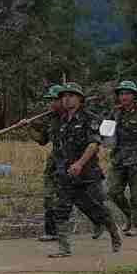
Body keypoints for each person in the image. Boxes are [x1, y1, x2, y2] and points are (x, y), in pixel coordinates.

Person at [43, 82, 121, 255]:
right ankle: (64, 249)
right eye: (64, 96)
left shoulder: (90, 118)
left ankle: (114, 232)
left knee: (94, 207)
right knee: (61, 209)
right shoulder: (61, 121)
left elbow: (93, 144)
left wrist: (79, 163)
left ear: (79, 99)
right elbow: (58, 146)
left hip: (86, 173)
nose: (67, 99)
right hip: (66, 173)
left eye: (71, 96)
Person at [106, 80, 137, 236]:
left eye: (127, 93)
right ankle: (129, 217)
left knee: (136, 195)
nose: (123, 96)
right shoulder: (114, 113)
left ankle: (136, 225)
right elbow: (107, 134)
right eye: (121, 93)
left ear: (134, 96)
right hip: (118, 159)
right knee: (113, 192)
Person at [27, 84, 66, 243]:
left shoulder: (74, 117)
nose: (51, 104)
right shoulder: (50, 119)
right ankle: (51, 232)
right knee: (49, 196)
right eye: (50, 101)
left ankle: (100, 222)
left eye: (54, 100)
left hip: (73, 161)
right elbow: (42, 140)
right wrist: (29, 128)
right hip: (54, 162)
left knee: (82, 198)